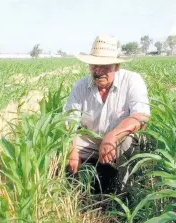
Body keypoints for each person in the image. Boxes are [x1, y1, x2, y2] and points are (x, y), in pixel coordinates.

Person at [64, 35, 150, 193]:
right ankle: (76, 188)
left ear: (116, 66)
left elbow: (142, 115)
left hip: (118, 141)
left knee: (128, 140)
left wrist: (113, 135)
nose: (98, 71)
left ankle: (123, 191)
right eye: (94, 66)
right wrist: (71, 151)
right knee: (61, 146)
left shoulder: (132, 81)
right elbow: (69, 122)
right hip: (90, 140)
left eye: (105, 66)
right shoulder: (81, 86)